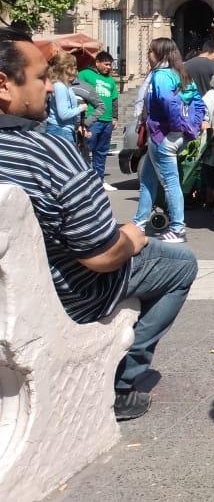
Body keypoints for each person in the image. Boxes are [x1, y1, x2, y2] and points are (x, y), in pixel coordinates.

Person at [0, 26, 198, 421]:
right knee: (180, 264)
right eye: (41, 78)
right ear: (4, 85)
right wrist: (131, 238)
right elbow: (101, 255)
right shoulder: (48, 152)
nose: (50, 87)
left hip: (11, 293)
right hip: (63, 293)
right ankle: (121, 381)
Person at [131, 38, 204, 243]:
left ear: (159, 54)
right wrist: (190, 128)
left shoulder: (160, 76)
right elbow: (197, 102)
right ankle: (139, 221)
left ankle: (178, 227)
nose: (147, 55)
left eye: (150, 51)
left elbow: (167, 102)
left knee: (170, 182)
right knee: (148, 178)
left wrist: (175, 126)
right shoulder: (179, 73)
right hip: (171, 134)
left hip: (161, 134)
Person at [77, 50, 120, 190]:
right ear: (97, 63)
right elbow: (76, 90)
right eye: (106, 64)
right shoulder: (85, 74)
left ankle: (99, 180)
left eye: (110, 65)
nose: (109, 67)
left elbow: (114, 100)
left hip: (107, 121)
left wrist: (115, 117)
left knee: (101, 152)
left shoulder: (110, 80)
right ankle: (84, 181)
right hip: (92, 119)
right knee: (85, 149)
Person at [45, 50, 86, 144]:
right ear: (67, 68)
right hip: (60, 131)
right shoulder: (59, 86)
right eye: (74, 67)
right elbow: (63, 114)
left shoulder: (66, 85)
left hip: (65, 131)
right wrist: (81, 108)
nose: (76, 70)